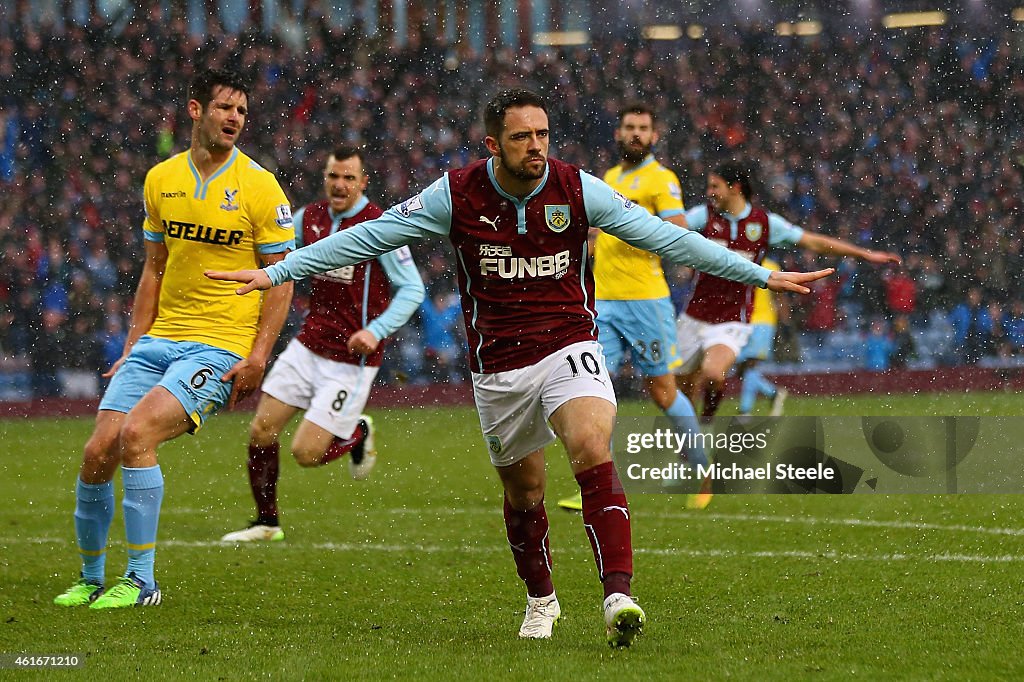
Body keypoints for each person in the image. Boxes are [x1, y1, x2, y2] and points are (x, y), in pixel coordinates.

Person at [207, 89, 832, 647]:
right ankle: (541, 597)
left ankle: (618, 596)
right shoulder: (454, 194)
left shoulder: (577, 188)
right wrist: (275, 271)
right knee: (524, 491)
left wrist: (763, 274)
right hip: (499, 367)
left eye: (543, 135)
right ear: (492, 144)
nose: (536, 147)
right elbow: (365, 239)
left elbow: (667, 239)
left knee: (591, 444)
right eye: (522, 137)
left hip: (568, 344)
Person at [53, 68, 295, 609]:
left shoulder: (259, 186)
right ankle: (92, 579)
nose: (234, 119)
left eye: (242, 112)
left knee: (136, 435)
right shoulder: (161, 179)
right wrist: (132, 344)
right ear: (195, 110)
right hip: (159, 339)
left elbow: (282, 278)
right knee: (97, 452)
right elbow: (154, 270)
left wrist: (258, 356)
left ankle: (141, 582)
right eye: (224, 108)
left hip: (221, 344)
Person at [221, 147, 425, 543]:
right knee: (261, 431)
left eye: (349, 178)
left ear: (363, 183)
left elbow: (411, 288)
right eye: (334, 176)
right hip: (308, 345)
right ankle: (267, 523)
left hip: (351, 360)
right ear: (325, 178)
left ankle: (358, 434)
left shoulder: (380, 225)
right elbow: (275, 257)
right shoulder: (308, 219)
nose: (340, 185)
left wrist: (376, 331)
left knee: (306, 454)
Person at [558, 102, 707, 512]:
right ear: (618, 134)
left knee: (662, 393)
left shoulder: (662, 179)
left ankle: (703, 468)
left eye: (644, 127)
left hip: (646, 301)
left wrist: (635, 226)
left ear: (654, 136)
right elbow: (595, 235)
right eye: (630, 127)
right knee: (593, 390)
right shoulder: (608, 178)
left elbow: (677, 230)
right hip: (603, 301)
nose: (636, 133)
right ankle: (596, 485)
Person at [675, 161, 901, 420]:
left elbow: (813, 241)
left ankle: (706, 422)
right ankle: (690, 439)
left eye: (715, 186)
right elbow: (670, 229)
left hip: (732, 319)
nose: (709, 192)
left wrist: (864, 253)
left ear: (735, 188)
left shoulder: (764, 223)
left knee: (714, 374)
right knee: (683, 389)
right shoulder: (704, 216)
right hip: (693, 316)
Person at [736, 258, 788, 417]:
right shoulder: (740, 261)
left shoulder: (771, 266)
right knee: (740, 368)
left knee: (750, 364)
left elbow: (780, 296)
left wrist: (785, 322)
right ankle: (773, 393)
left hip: (762, 322)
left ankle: (745, 411)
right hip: (743, 321)